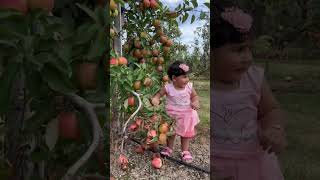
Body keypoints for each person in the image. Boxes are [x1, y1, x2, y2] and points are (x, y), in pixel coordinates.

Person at [211, 5, 287, 180]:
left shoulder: (253, 79)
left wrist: (274, 128)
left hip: (254, 165)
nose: (248, 58)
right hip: (216, 167)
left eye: (248, 49)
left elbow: (271, 110)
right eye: (239, 50)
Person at [151, 61, 200, 163]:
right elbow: (159, 94)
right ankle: (169, 148)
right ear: (174, 78)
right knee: (170, 133)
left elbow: (194, 96)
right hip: (171, 115)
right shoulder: (168, 87)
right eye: (184, 77)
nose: (187, 79)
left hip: (186, 114)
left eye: (187, 76)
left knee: (185, 135)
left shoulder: (189, 87)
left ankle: (185, 151)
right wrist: (156, 98)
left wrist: (195, 102)